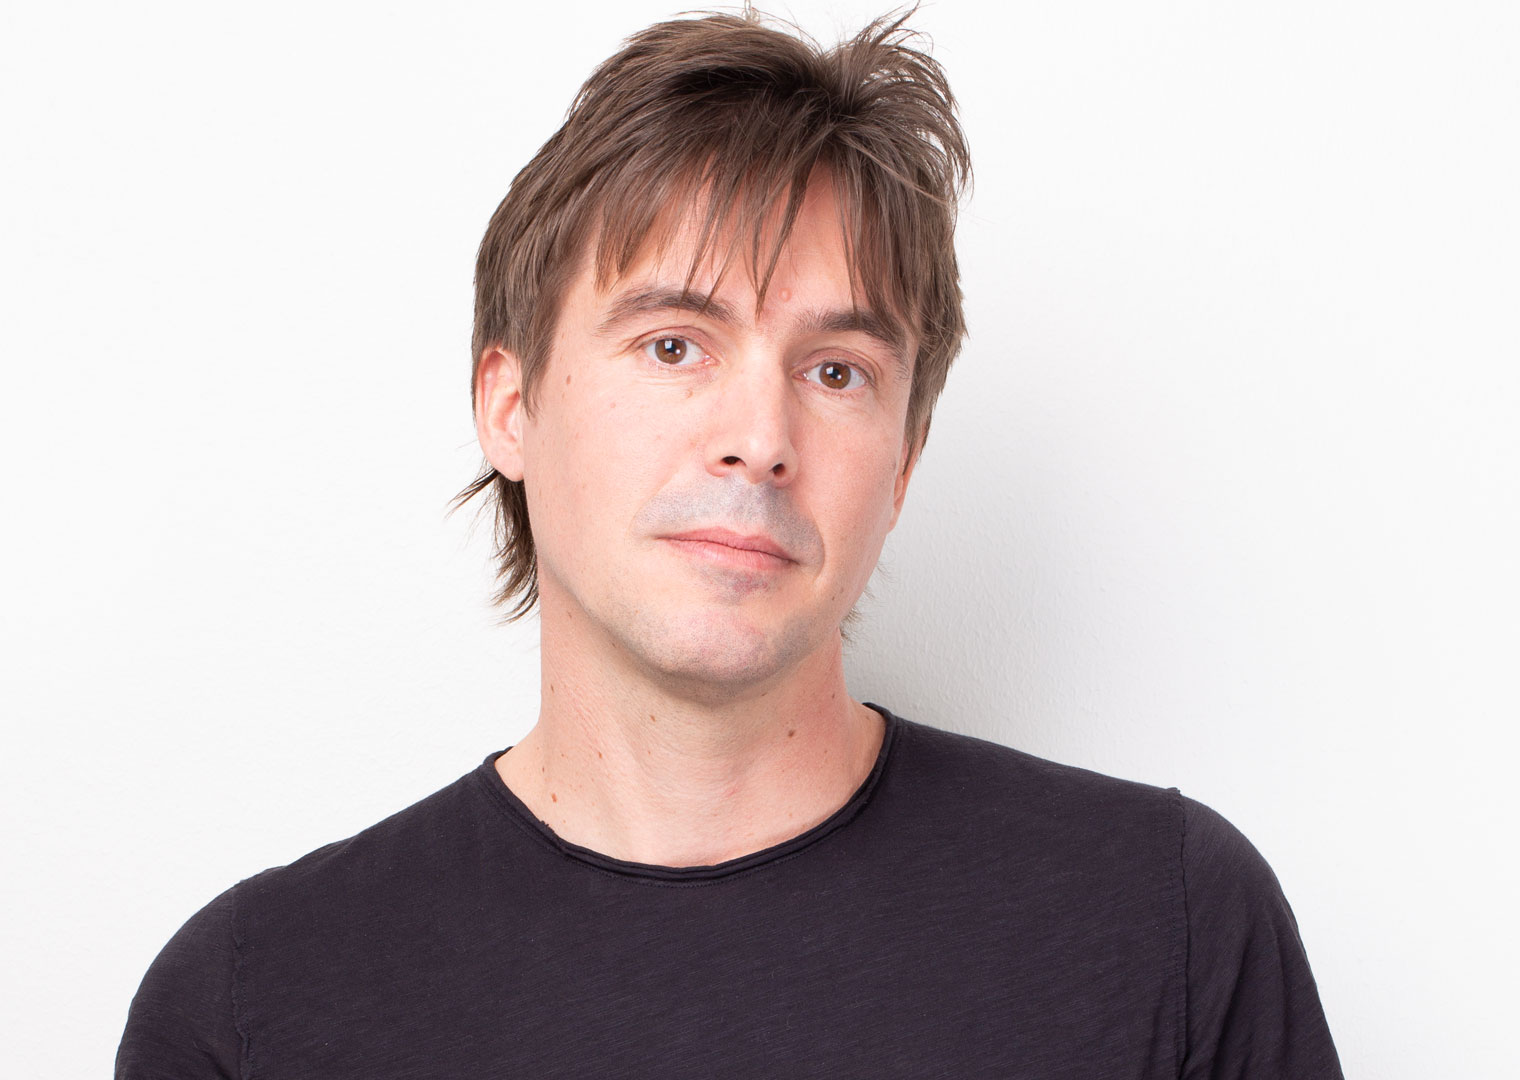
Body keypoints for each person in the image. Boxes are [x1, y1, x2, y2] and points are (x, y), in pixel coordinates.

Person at [116, 8, 1343, 1078]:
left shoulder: (1166, 924)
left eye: (835, 371)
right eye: (673, 345)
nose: (759, 440)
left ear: (903, 463)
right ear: (510, 407)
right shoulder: (254, 1005)